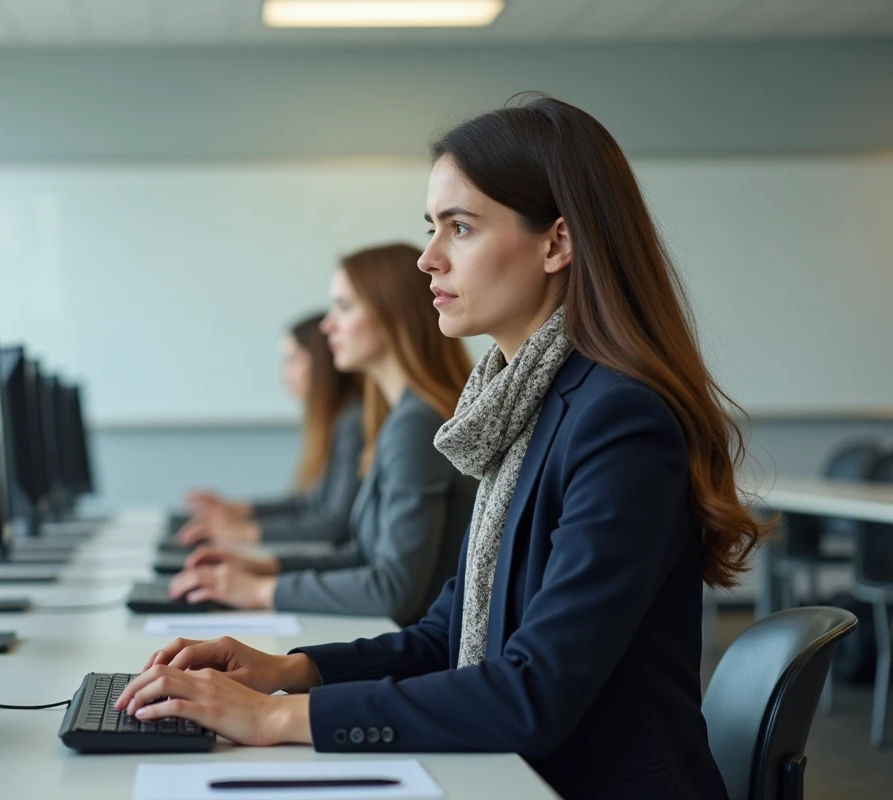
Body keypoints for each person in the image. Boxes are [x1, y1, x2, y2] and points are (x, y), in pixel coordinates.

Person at [115, 95, 772, 800]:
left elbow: (532, 694)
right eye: (432, 228)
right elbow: (445, 633)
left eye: (460, 228)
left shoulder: (619, 421)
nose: (428, 259)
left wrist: (278, 718)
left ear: (556, 242)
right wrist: (287, 671)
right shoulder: (518, 407)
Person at [169, 244, 476, 626]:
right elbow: (361, 554)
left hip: (422, 653)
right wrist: (263, 569)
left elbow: (393, 589)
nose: (328, 325)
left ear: (394, 317)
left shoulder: (417, 424)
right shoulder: (399, 416)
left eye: (344, 307)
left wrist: (261, 592)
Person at [176, 313, 362, 546]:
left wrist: (242, 532)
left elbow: (334, 523)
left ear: (320, 362)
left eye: (292, 360)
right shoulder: (338, 420)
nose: (283, 375)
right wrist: (235, 509)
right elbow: (306, 502)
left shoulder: (353, 424)